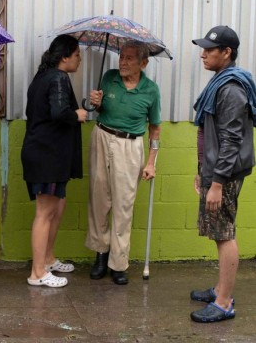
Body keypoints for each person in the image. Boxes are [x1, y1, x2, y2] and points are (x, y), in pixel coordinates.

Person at [189, 25, 256, 323]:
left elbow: (231, 139)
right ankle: (220, 288)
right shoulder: (220, 82)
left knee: (224, 233)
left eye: (209, 49)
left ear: (226, 52)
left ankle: (224, 302)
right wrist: (201, 170)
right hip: (214, 170)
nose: (203, 54)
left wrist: (216, 182)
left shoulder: (230, 89)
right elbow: (209, 134)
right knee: (219, 231)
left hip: (223, 174)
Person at [86, 40, 161, 285]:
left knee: (123, 204)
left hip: (131, 146)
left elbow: (155, 129)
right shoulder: (109, 78)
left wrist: (151, 162)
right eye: (122, 57)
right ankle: (100, 254)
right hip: (102, 137)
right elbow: (94, 110)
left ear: (143, 63)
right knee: (99, 200)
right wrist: (94, 103)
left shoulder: (151, 90)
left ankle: (118, 263)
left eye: (129, 58)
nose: (123, 62)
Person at [21, 34, 87, 288]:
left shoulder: (44, 76)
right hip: (46, 155)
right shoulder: (58, 77)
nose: (79, 60)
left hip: (49, 153)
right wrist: (78, 114)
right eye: (78, 54)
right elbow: (60, 112)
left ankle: (47, 259)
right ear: (64, 57)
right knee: (45, 212)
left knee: (57, 206)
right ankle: (37, 273)